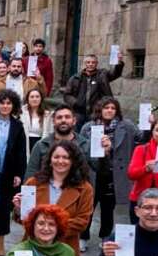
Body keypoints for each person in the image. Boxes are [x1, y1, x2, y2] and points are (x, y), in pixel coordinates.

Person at [16, 140, 95, 256]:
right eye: (56, 157)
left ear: (73, 161)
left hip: (65, 249)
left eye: (66, 157)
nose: (60, 161)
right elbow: (23, 219)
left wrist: (48, 229)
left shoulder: (85, 188)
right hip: (33, 248)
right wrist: (19, 209)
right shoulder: (33, 182)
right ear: (50, 160)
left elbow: (82, 222)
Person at [79, 98, 140, 245]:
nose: (110, 110)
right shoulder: (89, 127)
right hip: (93, 173)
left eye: (113, 108)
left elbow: (141, 139)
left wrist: (149, 125)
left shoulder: (126, 126)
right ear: (100, 109)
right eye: (106, 107)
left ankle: (105, 235)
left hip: (114, 175)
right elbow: (80, 149)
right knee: (88, 206)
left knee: (108, 208)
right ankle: (83, 236)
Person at [0, 90, 27, 255]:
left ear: (13, 105)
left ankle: (0, 242)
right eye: (2, 103)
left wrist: (18, 174)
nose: (5, 106)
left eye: (8, 103)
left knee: (3, 207)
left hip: (8, 171)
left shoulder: (17, 126)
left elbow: (21, 152)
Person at [25, 106, 93, 180]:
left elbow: (95, 171)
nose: (63, 120)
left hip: (78, 190)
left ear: (74, 121)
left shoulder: (86, 144)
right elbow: (30, 174)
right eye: (59, 117)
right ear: (53, 122)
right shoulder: (41, 145)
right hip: (47, 189)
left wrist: (104, 152)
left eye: (67, 117)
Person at [62, 52, 124, 129]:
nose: (90, 64)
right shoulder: (75, 78)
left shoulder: (103, 75)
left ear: (96, 64)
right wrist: (75, 103)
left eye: (93, 62)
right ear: (85, 63)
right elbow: (67, 94)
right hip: (79, 112)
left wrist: (119, 63)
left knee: (94, 134)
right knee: (77, 133)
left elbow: (115, 74)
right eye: (88, 62)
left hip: (96, 112)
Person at [128, 120, 158, 220]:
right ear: (152, 132)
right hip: (140, 200)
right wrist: (145, 169)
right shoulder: (141, 149)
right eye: (157, 130)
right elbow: (131, 174)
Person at [20, 87, 53, 155]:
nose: (34, 99)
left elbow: (50, 132)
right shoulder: (21, 113)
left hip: (40, 144)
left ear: (41, 99)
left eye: (37, 97)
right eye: (32, 97)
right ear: (28, 99)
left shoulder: (48, 115)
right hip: (24, 143)